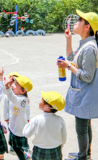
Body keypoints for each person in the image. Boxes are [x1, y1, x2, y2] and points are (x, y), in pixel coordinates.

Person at [57, 10, 98, 160]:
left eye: (80, 20)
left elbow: (87, 76)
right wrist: (68, 40)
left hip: (85, 95)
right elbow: (71, 59)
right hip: (84, 94)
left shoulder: (89, 48)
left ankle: (82, 156)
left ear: (87, 27)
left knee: (81, 129)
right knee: (85, 126)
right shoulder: (86, 44)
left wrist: (68, 66)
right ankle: (86, 153)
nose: (76, 22)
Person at [23, 91, 67, 160]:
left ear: (47, 107)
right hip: (55, 150)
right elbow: (64, 138)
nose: (40, 100)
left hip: (39, 151)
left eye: (42, 99)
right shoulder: (60, 120)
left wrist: (27, 124)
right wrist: (60, 146)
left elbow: (26, 134)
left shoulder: (36, 119)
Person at [4, 75, 32, 160]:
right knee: (14, 146)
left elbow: (12, 98)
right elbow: (6, 92)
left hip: (19, 130)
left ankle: (22, 157)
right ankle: (23, 155)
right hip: (13, 127)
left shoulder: (23, 100)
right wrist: (1, 80)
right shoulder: (15, 94)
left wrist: (7, 87)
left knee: (16, 147)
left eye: (15, 84)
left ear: (23, 90)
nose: (12, 85)